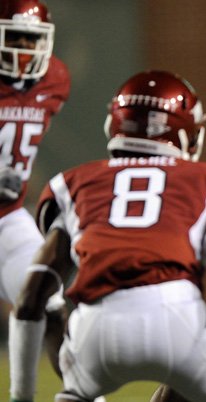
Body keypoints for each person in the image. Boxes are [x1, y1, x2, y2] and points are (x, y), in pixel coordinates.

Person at [10, 70, 206, 402]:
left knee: (77, 391)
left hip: (96, 327)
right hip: (175, 317)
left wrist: (21, 396)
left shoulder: (74, 183)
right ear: (186, 131)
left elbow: (31, 300)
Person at [0, 1, 71, 400]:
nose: (24, 48)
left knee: (48, 301)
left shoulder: (54, 78)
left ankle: (81, 394)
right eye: (14, 37)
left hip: (6, 217)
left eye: (32, 38)